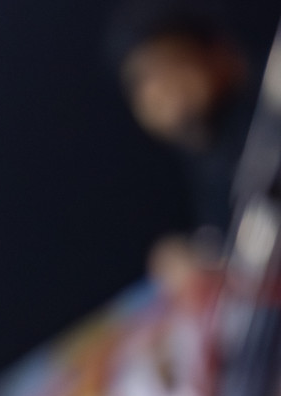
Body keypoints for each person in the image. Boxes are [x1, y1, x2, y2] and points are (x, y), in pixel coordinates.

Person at [107, 2, 256, 286]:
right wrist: (194, 253)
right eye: (142, 81)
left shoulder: (257, 114)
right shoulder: (204, 153)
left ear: (221, 53)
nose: (160, 91)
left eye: (172, 64)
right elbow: (228, 236)